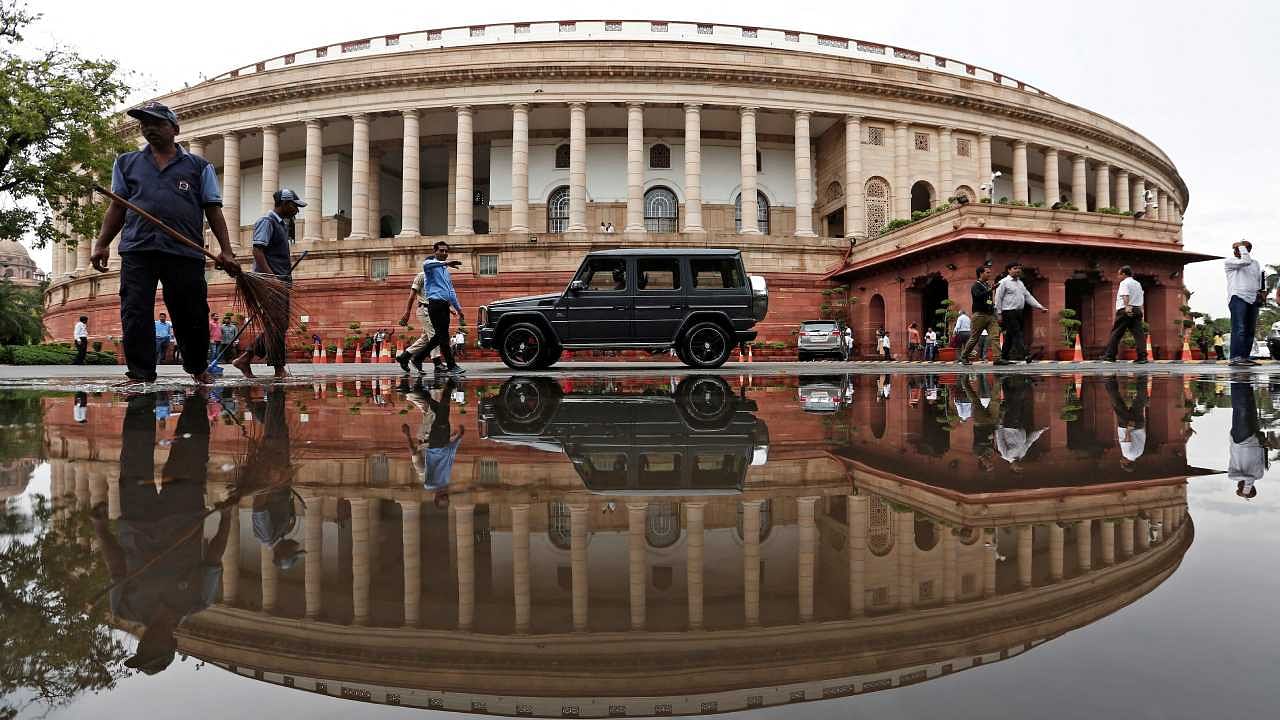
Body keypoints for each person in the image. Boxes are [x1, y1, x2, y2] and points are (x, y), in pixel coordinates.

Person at [91, 101, 239, 385]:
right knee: (134, 309)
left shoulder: (198, 167)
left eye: (156, 123)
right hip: (138, 249)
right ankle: (140, 373)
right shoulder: (126, 163)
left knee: (192, 312)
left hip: (184, 251)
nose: (149, 129)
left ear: (174, 128)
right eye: (144, 124)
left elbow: (213, 209)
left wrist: (227, 250)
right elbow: (117, 208)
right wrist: (101, 243)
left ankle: (198, 368)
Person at [89, 391, 230, 676]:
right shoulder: (198, 600)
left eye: (143, 649)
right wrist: (227, 514)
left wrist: (101, 528)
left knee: (134, 456)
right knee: (190, 455)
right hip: (184, 516)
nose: (146, 643)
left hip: (136, 520)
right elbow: (214, 557)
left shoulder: (125, 608)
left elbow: (117, 567)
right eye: (153, 649)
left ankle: (141, 400)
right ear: (171, 642)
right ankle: (197, 401)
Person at [232, 189, 304, 379]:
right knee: (277, 324)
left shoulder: (282, 225)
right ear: (285, 204)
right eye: (295, 206)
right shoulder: (267, 221)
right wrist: (271, 279)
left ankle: (246, 358)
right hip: (270, 282)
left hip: (280, 281)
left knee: (280, 325)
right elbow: (258, 251)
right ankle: (278, 368)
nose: (297, 210)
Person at [410, 241, 466, 376]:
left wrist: (459, 309)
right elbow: (427, 264)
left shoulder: (445, 272)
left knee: (438, 337)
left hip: (444, 305)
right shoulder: (430, 266)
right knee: (443, 337)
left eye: (446, 251)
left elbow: (451, 291)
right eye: (441, 251)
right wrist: (446, 263)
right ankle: (451, 365)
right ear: (435, 252)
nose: (444, 253)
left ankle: (417, 358)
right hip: (434, 305)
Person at [402, 377, 465, 492]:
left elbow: (413, 452)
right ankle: (422, 392)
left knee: (440, 408)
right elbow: (447, 454)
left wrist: (407, 434)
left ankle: (450, 382)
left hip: (429, 435)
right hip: (434, 437)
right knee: (434, 408)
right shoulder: (441, 475)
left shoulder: (423, 471)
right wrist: (454, 438)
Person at [994, 261, 1047, 365]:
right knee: (1017, 334)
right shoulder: (1003, 282)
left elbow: (1028, 296)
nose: (1018, 270)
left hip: (1019, 312)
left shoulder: (1020, 283)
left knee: (1009, 335)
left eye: (1019, 268)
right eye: (1015, 268)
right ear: (1009, 270)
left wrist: (1040, 307)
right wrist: (999, 313)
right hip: (1008, 312)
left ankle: (1003, 357)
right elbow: (998, 298)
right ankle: (1026, 355)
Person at [1224, 240, 1265, 366]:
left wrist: (1262, 294)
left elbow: (1259, 279)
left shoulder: (1256, 263)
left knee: (1250, 330)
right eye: (1237, 249)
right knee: (1239, 328)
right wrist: (1242, 247)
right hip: (1238, 297)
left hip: (1253, 298)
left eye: (1240, 249)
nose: (1236, 251)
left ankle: (1244, 357)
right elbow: (1245, 261)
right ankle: (1236, 357)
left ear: (1249, 250)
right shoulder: (1230, 262)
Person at [995, 375, 1046, 472]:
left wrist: (1000, 424)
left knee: (1016, 403)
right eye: (1021, 468)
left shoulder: (1006, 455)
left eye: (1017, 468)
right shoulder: (1022, 454)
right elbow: (1029, 441)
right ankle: (1004, 381)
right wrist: (1041, 431)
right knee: (1011, 402)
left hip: (1009, 426)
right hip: (1019, 426)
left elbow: (1000, 440)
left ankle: (1026, 383)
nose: (1019, 466)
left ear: (1012, 467)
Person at [398, 268, 444, 374]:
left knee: (425, 339)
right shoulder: (421, 276)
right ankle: (437, 363)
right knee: (434, 335)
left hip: (434, 310)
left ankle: (405, 356)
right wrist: (407, 312)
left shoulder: (438, 278)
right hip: (424, 309)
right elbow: (411, 296)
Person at [1101, 266, 1148, 364]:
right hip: (1137, 309)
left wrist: (1127, 306)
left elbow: (1125, 295)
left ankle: (1109, 356)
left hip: (1126, 309)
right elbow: (1140, 296)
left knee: (1116, 333)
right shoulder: (1137, 283)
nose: (1118, 276)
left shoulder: (1124, 283)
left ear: (1123, 274)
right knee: (1139, 334)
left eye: (1119, 274)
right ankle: (1142, 357)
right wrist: (1139, 309)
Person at [1229, 382, 1266, 499]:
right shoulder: (1258, 475)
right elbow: (1260, 456)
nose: (1238, 486)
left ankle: (1237, 379)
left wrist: (1245, 493)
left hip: (1241, 440)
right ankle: (1245, 380)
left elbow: (1248, 479)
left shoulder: (1234, 476)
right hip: (1254, 438)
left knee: (1241, 408)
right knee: (1249, 405)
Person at [1106, 376, 1148, 471]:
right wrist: (1129, 428)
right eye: (1122, 463)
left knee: (1140, 402)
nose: (1121, 461)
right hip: (1127, 425)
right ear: (1127, 463)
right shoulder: (1127, 454)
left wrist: (1138, 425)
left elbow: (1142, 437)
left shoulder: (1139, 453)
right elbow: (1127, 440)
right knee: (1116, 402)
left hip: (1139, 425)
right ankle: (1109, 378)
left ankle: (1142, 378)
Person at [960, 266, 998, 365]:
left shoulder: (987, 285)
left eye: (990, 272)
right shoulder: (976, 286)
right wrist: (990, 290)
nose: (989, 274)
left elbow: (989, 300)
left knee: (995, 336)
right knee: (974, 338)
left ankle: (998, 358)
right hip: (979, 315)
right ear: (981, 273)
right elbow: (978, 296)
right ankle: (964, 356)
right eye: (987, 272)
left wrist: (994, 310)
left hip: (990, 315)